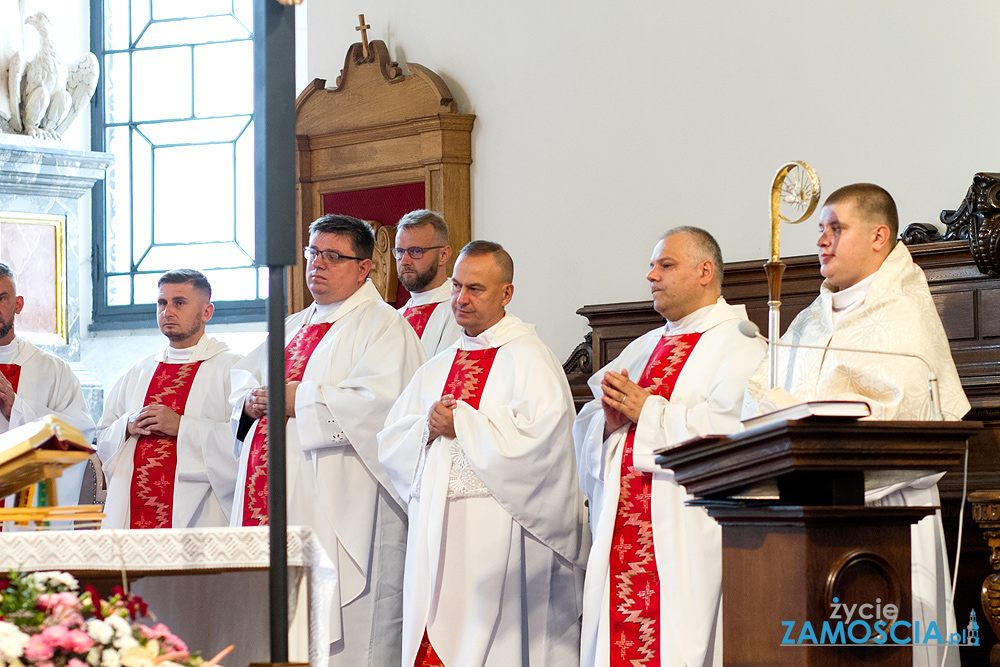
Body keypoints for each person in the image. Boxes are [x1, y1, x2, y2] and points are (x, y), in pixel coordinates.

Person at [743, 183, 970, 667]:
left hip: (888, 514)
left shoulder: (904, 313)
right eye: (821, 229)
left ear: (878, 237)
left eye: (836, 228)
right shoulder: (810, 318)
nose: (821, 240)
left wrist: (811, 411)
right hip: (807, 512)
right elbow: (760, 391)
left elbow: (910, 412)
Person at [378, 241, 589, 667]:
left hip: (503, 533)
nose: (460, 299)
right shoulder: (437, 366)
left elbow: (545, 444)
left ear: (506, 294)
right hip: (437, 527)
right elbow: (392, 439)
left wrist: (464, 425)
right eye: (456, 286)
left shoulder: (531, 359)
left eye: (475, 289)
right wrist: (426, 426)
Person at [230, 214, 425, 667]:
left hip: (339, 501)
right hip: (271, 490)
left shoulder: (384, 327)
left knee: (340, 635)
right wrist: (250, 401)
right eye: (312, 253)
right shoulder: (293, 324)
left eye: (333, 256)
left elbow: (383, 406)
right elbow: (241, 376)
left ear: (364, 267)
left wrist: (302, 398)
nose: (317, 264)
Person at [574, 227, 766, 667]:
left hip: (688, 537)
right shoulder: (641, 349)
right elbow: (587, 424)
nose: (650, 275)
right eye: (652, 265)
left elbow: (738, 434)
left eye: (665, 265)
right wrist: (608, 423)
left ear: (704, 271)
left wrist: (650, 412)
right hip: (623, 534)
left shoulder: (743, 346)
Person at [97, 269, 241, 529]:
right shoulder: (139, 371)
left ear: (207, 312)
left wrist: (182, 427)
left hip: (200, 516)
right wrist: (127, 426)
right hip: (132, 511)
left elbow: (246, 444)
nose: (168, 312)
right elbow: (103, 437)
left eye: (179, 303)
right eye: (162, 303)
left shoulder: (232, 369)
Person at [0, 261, 95, 524]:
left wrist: (16, 407)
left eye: (1, 298)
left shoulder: (52, 370)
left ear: (18, 304)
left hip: (25, 515)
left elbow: (81, 432)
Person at [393, 210, 462, 358]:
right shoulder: (394, 317)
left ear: (443, 255)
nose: (404, 261)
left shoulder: (460, 310)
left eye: (416, 251)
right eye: (400, 251)